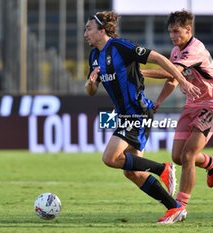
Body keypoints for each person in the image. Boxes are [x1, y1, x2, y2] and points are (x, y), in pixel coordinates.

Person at [84, 11, 201, 224]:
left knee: (110, 158)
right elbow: (91, 90)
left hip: (136, 111)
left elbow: (158, 58)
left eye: (89, 29)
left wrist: (182, 81)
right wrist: (91, 83)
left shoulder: (120, 47)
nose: (85, 34)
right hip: (124, 115)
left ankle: (163, 169)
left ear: (102, 31)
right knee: (133, 173)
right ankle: (174, 208)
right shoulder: (94, 57)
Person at [142, 10, 213, 221]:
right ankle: (211, 163)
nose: (173, 36)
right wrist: (158, 102)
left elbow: (170, 72)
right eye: (170, 32)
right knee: (177, 157)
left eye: (176, 31)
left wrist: (140, 72)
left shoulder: (195, 49)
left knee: (188, 155)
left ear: (188, 30)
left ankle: (180, 206)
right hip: (191, 105)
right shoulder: (176, 51)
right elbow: (173, 80)